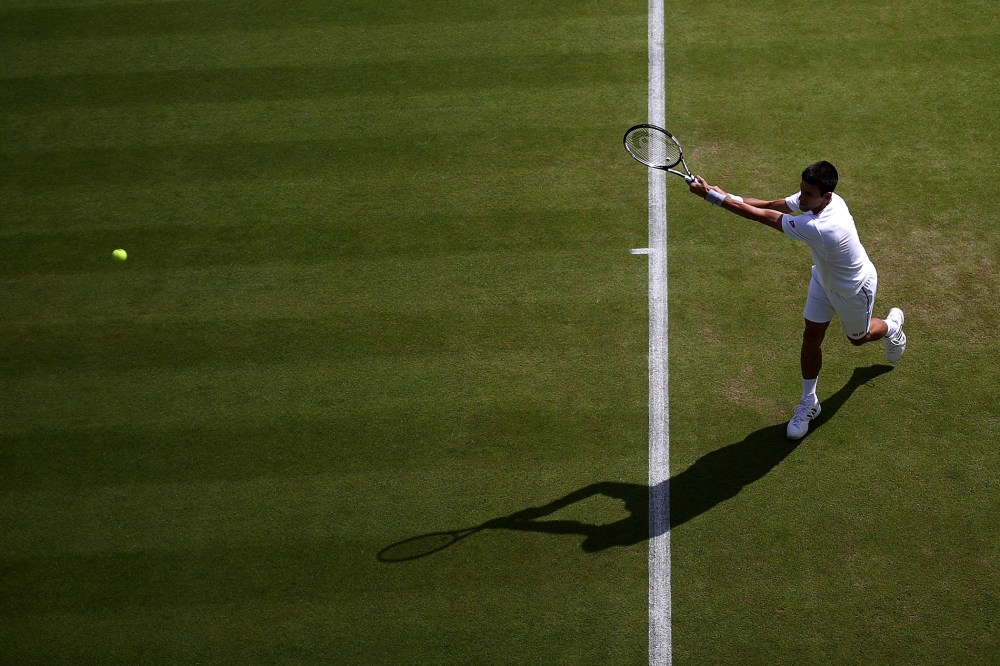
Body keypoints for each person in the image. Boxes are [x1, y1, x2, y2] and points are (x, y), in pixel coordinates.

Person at [687, 161, 906, 440]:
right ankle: (809, 402)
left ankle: (891, 326)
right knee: (811, 336)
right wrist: (727, 194)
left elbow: (763, 216)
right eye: (801, 191)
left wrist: (713, 198)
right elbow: (772, 204)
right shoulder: (821, 200)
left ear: (826, 196)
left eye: (808, 195)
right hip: (823, 281)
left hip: (854, 290)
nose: (801, 198)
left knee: (858, 339)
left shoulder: (823, 226)